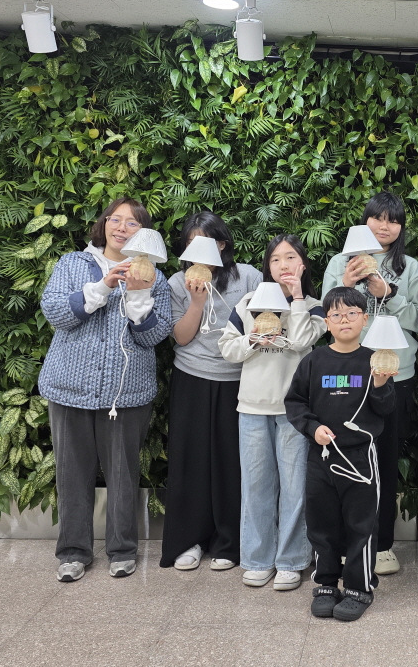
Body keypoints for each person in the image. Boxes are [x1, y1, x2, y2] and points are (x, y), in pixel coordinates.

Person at [38, 197, 173, 583]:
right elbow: (56, 313)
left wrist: (138, 295)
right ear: (104, 223)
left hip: (126, 393)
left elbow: (155, 336)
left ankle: (122, 550)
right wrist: (103, 285)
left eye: (132, 223)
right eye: (116, 219)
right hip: (69, 388)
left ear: (143, 232)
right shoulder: (72, 264)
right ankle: (73, 552)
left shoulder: (155, 278)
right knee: (71, 474)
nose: (122, 228)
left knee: (123, 474)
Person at [322, 191, 418, 575]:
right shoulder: (340, 262)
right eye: (377, 218)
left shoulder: (409, 266)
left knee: (384, 458)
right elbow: (325, 315)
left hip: (395, 374)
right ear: (365, 220)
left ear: (401, 228)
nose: (384, 226)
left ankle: (381, 545)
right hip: (349, 372)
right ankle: (346, 542)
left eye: (393, 220)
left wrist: (389, 292)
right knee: (345, 456)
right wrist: (345, 286)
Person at [218, 235, 326, 590]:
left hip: (296, 411)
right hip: (252, 407)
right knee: (256, 487)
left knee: (295, 488)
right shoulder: (249, 303)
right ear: (268, 266)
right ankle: (258, 559)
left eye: (290, 257)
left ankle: (291, 561)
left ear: (302, 264)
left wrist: (296, 299)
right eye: (276, 259)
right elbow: (227, 348)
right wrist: (252, 339)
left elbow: (303, 341)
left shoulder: (314, 305)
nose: (283, 265)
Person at [285, 286, 397, 622]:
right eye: (336, 314)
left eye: (351, 313)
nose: (344, 319)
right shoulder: (314, 361)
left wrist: (380, 384)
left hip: (361, 459)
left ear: (365, 319)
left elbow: (386, 408)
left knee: (362, 525)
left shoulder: (374, 360)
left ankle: (360, 588)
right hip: (320, 458)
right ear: (327, 322)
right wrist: (312, 428)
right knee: (322, 523)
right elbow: (295, 403)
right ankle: (325, 584)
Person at [160, 212, 262, 573]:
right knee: (191, 461)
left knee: (232, 463)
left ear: (222, 244)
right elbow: (181, 337)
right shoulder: (177, 282)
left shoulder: (248, 277)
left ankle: (229, 542)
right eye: (190, 242)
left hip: (238, 380)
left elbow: (263, 325)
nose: (197, 249)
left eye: (205, 241)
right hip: (192, 376)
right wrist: (196, 302)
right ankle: (188, 540)